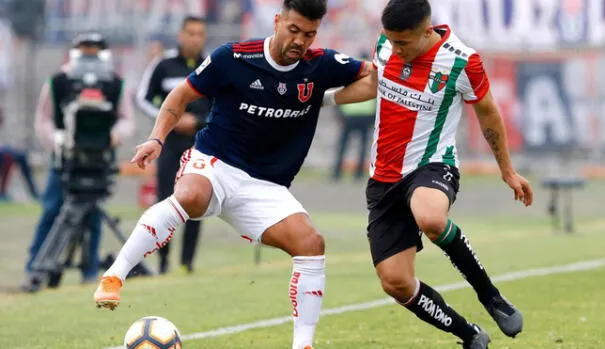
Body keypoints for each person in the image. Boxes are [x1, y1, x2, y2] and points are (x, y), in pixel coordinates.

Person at [94, 1, 371, 348]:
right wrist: (156, 138)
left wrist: (326, 99)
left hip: (266, 186)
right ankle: (115, 276)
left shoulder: (321, 65)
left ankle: (303, 345)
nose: (301, 41)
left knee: (311, 244)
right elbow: (179, 96)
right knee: (190, 197)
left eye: (310, 34)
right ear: (277, 21)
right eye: (294, 30)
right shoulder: (234, 58)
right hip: (215, 164)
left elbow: (373, 79)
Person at [324, 1, 533, 348]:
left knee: (431, 218)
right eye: (390, 41)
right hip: (382, 178)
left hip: (432, 165)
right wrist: (322, 100)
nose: (395, 49)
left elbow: (489, 114)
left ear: (426, 31)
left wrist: (507, 171)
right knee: (396, 283)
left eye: (402, 43)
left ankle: (491, 296)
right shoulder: (386, 44)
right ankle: (468, 334)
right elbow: (373, 85)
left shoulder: (463, 61)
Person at [21, 32, 135, 292]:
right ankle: (34, 268)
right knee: (52, 211)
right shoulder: (58, 82)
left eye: (95, 48)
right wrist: (58, 141)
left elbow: (126, 118)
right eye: (85, 48)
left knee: (93, 214)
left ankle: (90, 270)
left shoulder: (115, 84)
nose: (90, 54)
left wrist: (113, 136)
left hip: (99, 159)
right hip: (64, 161)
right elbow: (44, 118)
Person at [136, 16, 211, 274]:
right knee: (165, 202)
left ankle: (187, 263)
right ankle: (164, 263)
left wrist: (199, 121)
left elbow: (225, 105)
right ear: (180, 35)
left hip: (202, 145)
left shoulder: (212, 65)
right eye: (190, 33)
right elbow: (143, 98)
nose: (195, 38)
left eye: (200, 33)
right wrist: (170, 119)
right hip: (170, 145)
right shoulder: (164, 65)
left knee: (197, 202)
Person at [331, 54, 376, 181]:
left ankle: (337, 173)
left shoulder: (350, 75)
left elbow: (340, 94)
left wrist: (339, 114)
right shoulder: (373, 79)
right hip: (364, 116)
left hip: (349, 116)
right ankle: (358, 174)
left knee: (343, 145)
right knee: (361, 146)